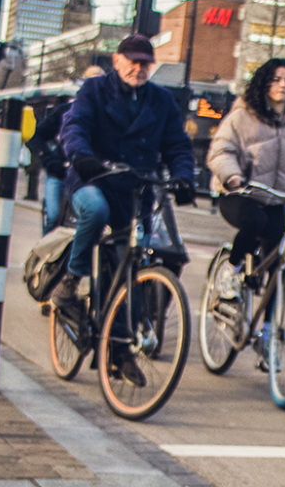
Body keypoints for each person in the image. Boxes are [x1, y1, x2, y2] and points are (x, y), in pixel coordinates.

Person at [51, 34, 198, 384]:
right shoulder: (94, 91)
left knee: (131, 262)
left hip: (135, 193)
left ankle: (119, 347)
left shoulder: (162, 101)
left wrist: (182, 176)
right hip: (93, 180)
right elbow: (75, 126)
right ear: (116, 61)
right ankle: (71, 279)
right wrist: (81, 156)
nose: (138, 67)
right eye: (131, 60)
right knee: (97, 212)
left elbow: (177, 144)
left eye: (145, 62)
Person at [207, 58, 285, 304]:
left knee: (276, 262)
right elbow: (220, 151)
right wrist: (233, 176)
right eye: (276, 79)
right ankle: (231, 269)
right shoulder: (242, 116)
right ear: (264, 84)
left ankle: (269, 332)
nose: (283, 85)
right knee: (254, 221)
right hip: (240, 194)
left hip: (277, 197)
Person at [30, 96, 71, 234]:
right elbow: (36, 136)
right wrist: (49, 159)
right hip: (60, 174)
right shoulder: (66, 111)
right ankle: (46, 253)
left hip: (92, 178)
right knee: (54, 217)